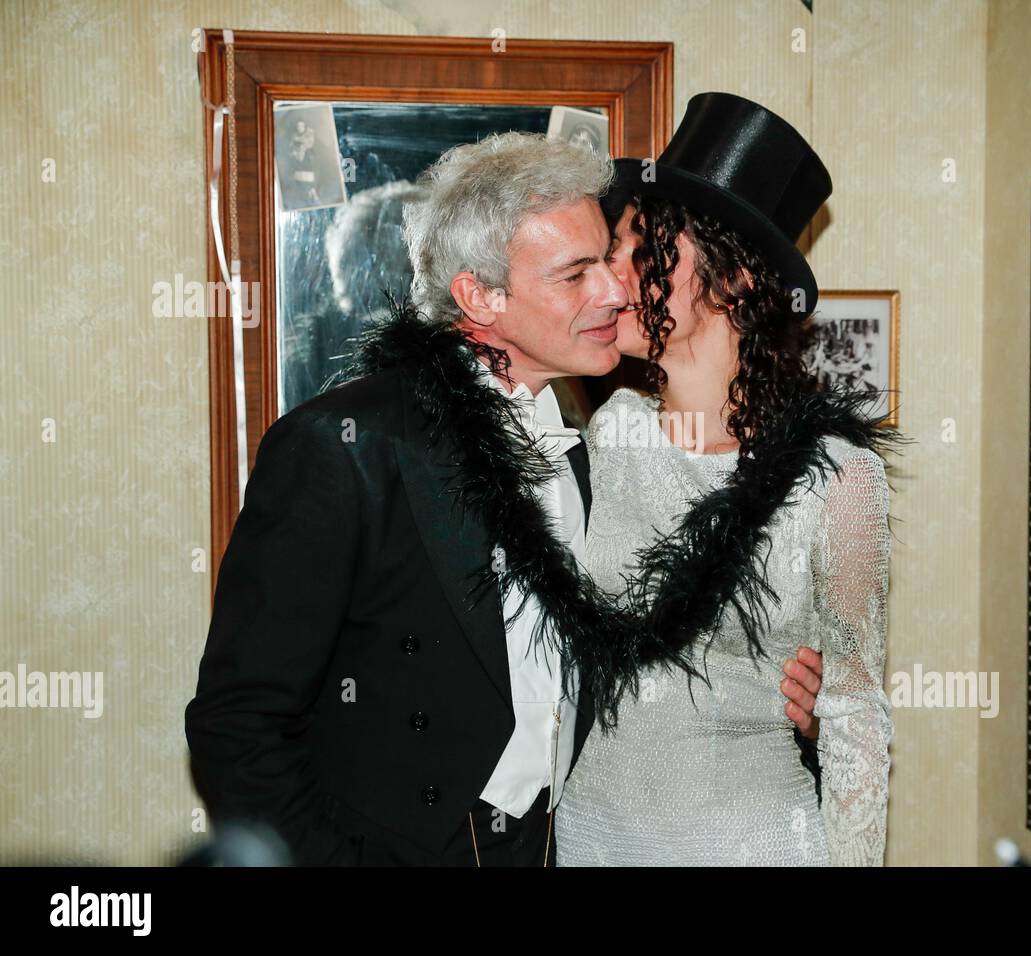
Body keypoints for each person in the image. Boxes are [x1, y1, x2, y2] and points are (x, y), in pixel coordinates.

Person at [184, 130, 821, 866]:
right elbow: (239, 724)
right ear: (480, 296)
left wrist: (793, 696)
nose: (617, 290)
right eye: (576, 273)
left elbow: (654, 653)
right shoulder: (345, 445)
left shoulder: (598, 453)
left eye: (606, 263)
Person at [554, 93, 905, 866]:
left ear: (737, 277)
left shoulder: (840, 480)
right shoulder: (610, 436)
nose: (612, 280)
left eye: (637, 251)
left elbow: (852, 716)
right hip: (593, 841)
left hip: (750, 842)